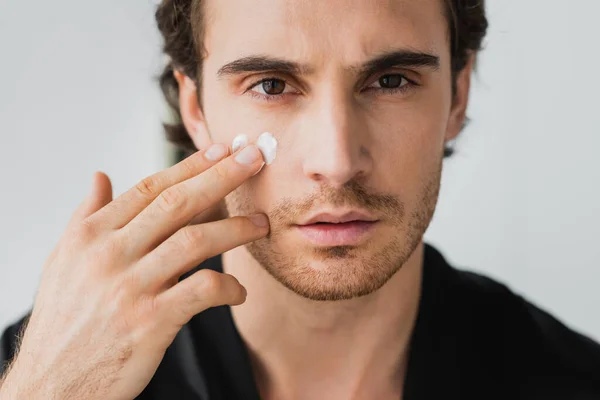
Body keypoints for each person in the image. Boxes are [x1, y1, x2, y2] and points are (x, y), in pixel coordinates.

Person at [1, 0, 599, 398]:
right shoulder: (45, 371)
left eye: (391, 81)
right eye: (271, 85)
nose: (337, 161)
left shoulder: (569, 380)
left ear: (458, 95)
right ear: (196, 110)